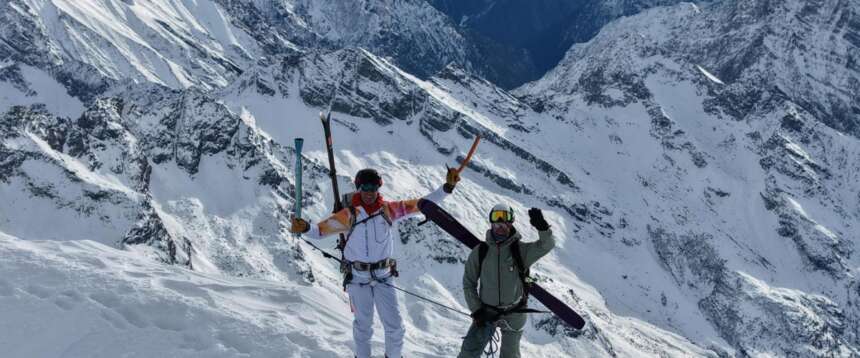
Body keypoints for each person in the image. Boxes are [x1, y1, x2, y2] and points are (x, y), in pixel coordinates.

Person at [290, 167, 460, 358]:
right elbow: (320, 231)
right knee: (363, 328)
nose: (369, 192)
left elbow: (422, 205)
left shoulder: (389, 210)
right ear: (358, 188)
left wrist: (447, 187)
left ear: (378, 188)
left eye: (373, 187)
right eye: (365, 187)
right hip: (357, 279)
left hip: (383, 277)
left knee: (395, 328)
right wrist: (304, 227)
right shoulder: (348, 215)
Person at [457, 205, 555, 358]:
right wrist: (477, 310)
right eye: (497, 219)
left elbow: (547, 245)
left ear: (511, 222)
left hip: (515, 312)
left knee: (510, 355)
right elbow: (468, 283)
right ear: (491, 222)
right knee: (468, 353)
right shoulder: (480, 251)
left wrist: (542, 227)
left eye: (505, 220)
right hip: (485, 312)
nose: (500, 225)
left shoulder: (521, 251)